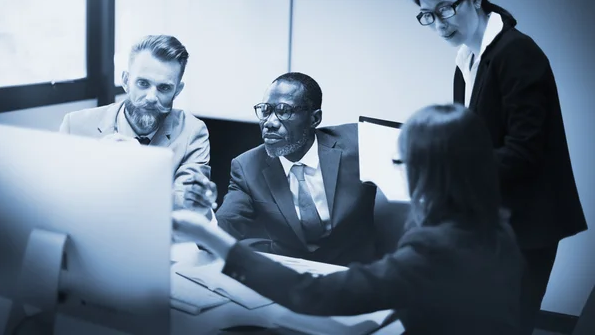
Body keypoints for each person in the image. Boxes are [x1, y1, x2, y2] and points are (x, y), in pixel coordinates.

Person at [174, 103, 525, 335]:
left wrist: (208, 235)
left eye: (402, 163)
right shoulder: (496, 228)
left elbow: (311, 295)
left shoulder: (438, 247)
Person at [410, 0, 588, 334]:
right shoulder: (467, 58)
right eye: (428, 15)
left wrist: (449, 173)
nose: (438, 25)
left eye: (445, 10)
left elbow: (524, 152)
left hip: (527, 224)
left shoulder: (516, 53)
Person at [214, 72, 377, 265]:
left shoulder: (359, 143)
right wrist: (201, 212)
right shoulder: (247, 166)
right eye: (265, 110)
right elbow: (223, 229)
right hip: (290, 276)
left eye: (284, 111)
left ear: (314, 119)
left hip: (354, 273)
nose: (270, 123)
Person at [60, 34, 216, 218]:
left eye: (164, 88)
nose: (151, 97)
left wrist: (143, 163)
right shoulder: (75, 125)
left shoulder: (192, 132)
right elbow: (59, 195)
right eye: (142, 83)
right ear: (126, 81)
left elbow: (189, 206)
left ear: (177, 90)